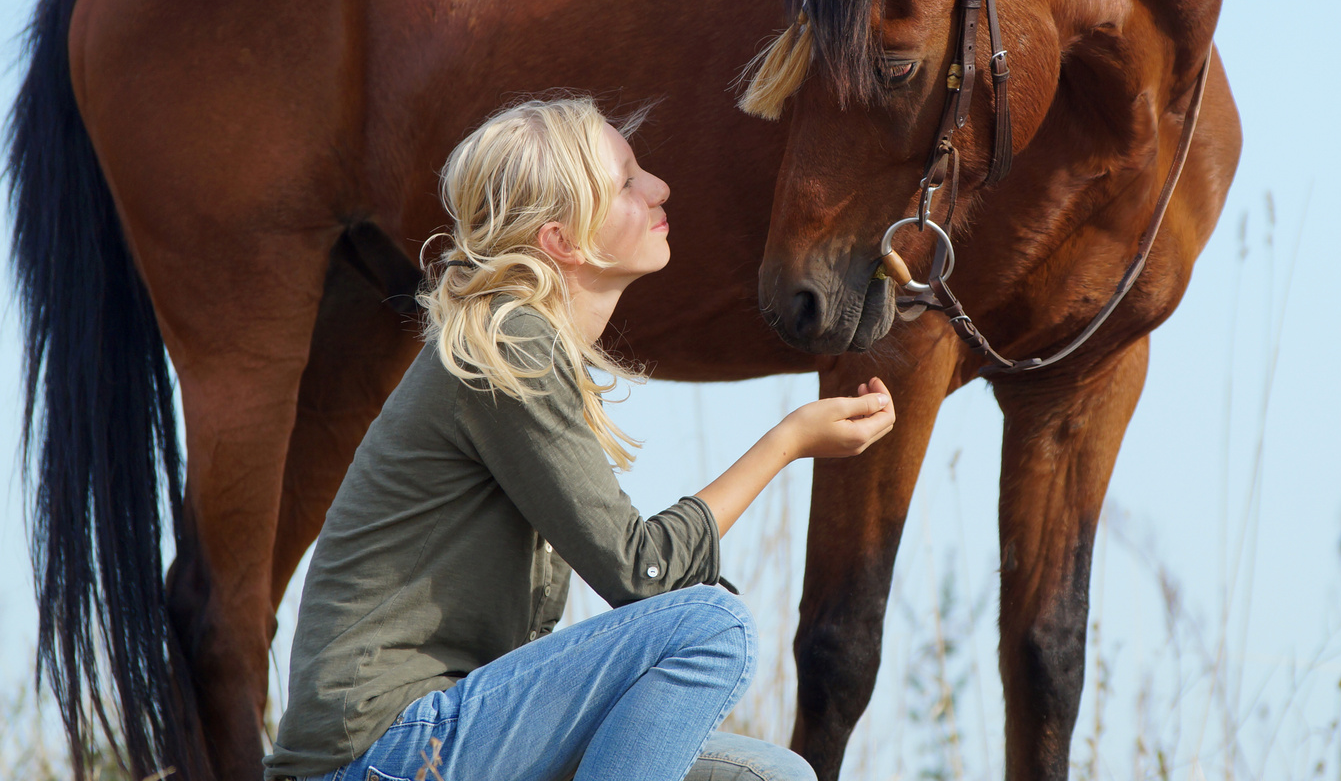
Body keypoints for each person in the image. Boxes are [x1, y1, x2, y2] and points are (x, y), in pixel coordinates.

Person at [264, 97, 895, 781]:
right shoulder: (508, 345)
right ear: (562, 240)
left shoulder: (516, 345)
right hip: (383, 751)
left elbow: (638, 579)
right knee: (710, 629)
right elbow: (641, 573)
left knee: (775, 777)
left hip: (447, 736)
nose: (659, 187)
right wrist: (788, 440)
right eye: (626, 181)